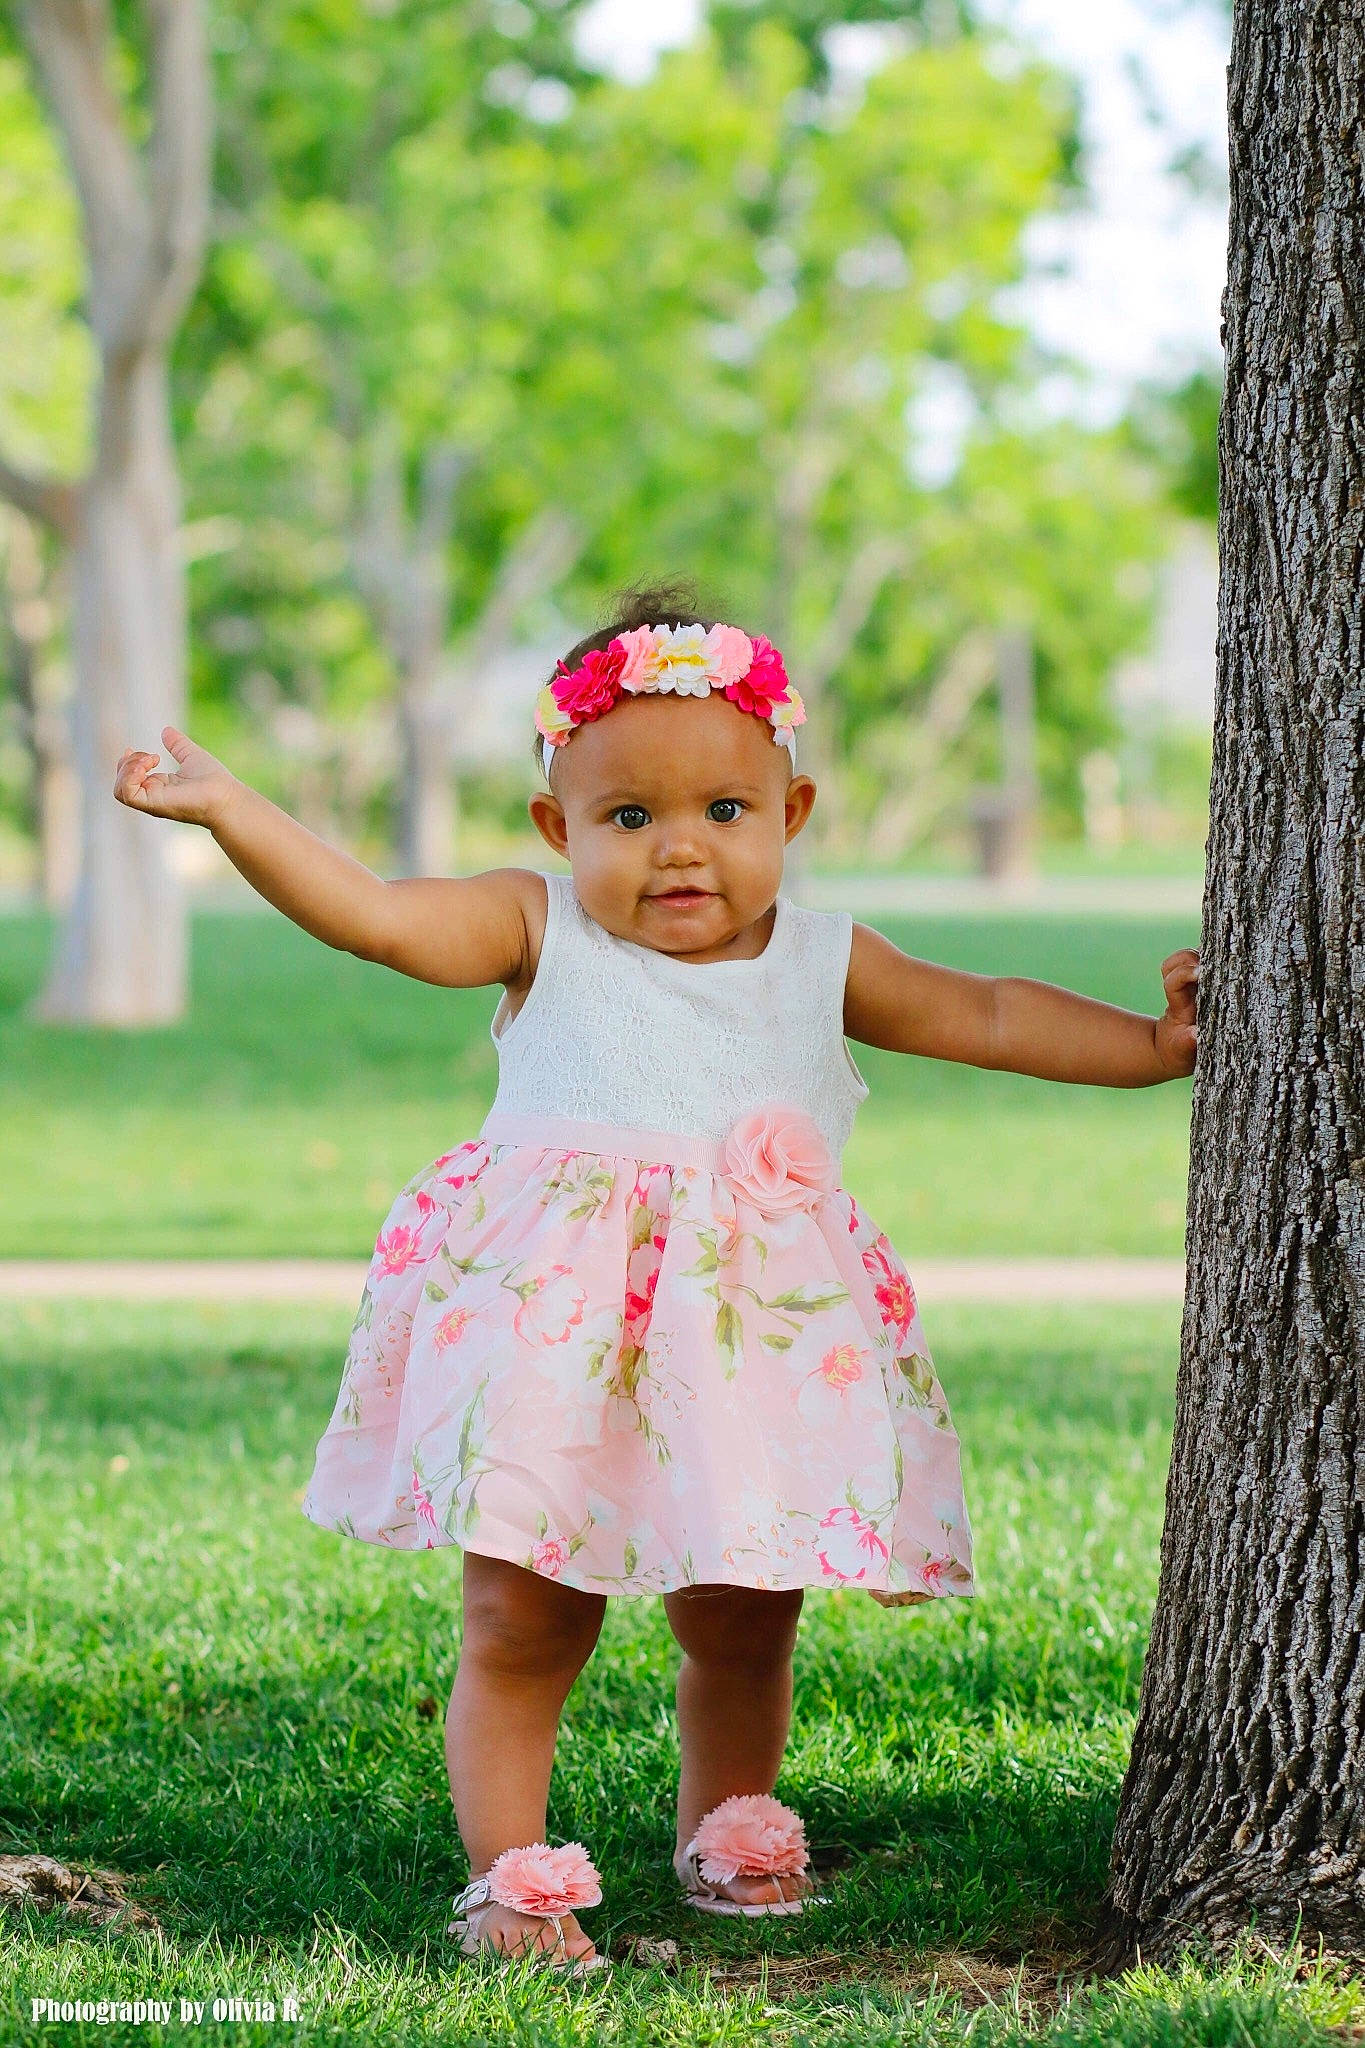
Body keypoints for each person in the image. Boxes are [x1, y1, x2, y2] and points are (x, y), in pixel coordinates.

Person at [112, 582, 1198, 1976]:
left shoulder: (823, 960)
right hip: (554, 1349)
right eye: (628, 817)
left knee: (744, 1608)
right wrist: (230, 810)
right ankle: (510, 1875)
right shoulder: (536, 931)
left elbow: (987, 1014)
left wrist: (1150, 1046)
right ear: (556, 830)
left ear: (790, 815)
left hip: (745, 1351)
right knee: (521, 1616)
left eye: (724, 812)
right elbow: (377, 918)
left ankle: (728, 1825)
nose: (680, 848)